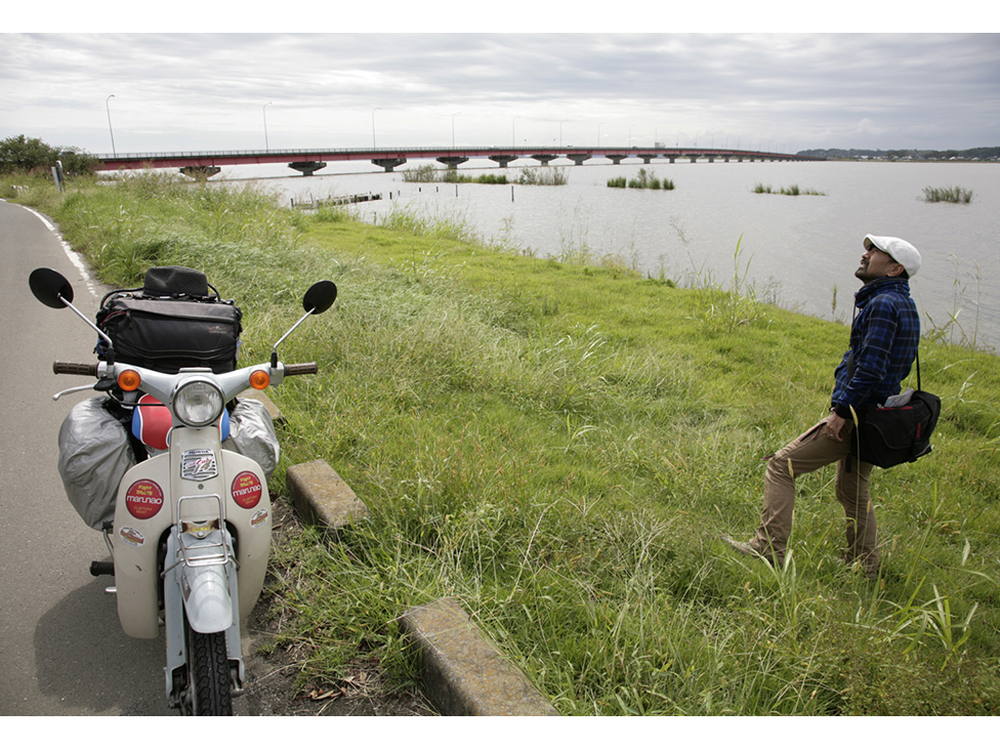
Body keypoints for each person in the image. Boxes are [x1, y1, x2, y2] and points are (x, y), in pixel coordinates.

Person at [723, 234, 921, 578]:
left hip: (861, 415)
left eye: (875, 251)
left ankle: (768, 548)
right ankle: (865, 565)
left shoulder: (883, 305)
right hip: (878, 415)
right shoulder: (901, 302)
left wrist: (843, 412)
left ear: (894, 267)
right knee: (853, 490)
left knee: (782, 465)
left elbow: (872, 368)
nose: (865, 254)